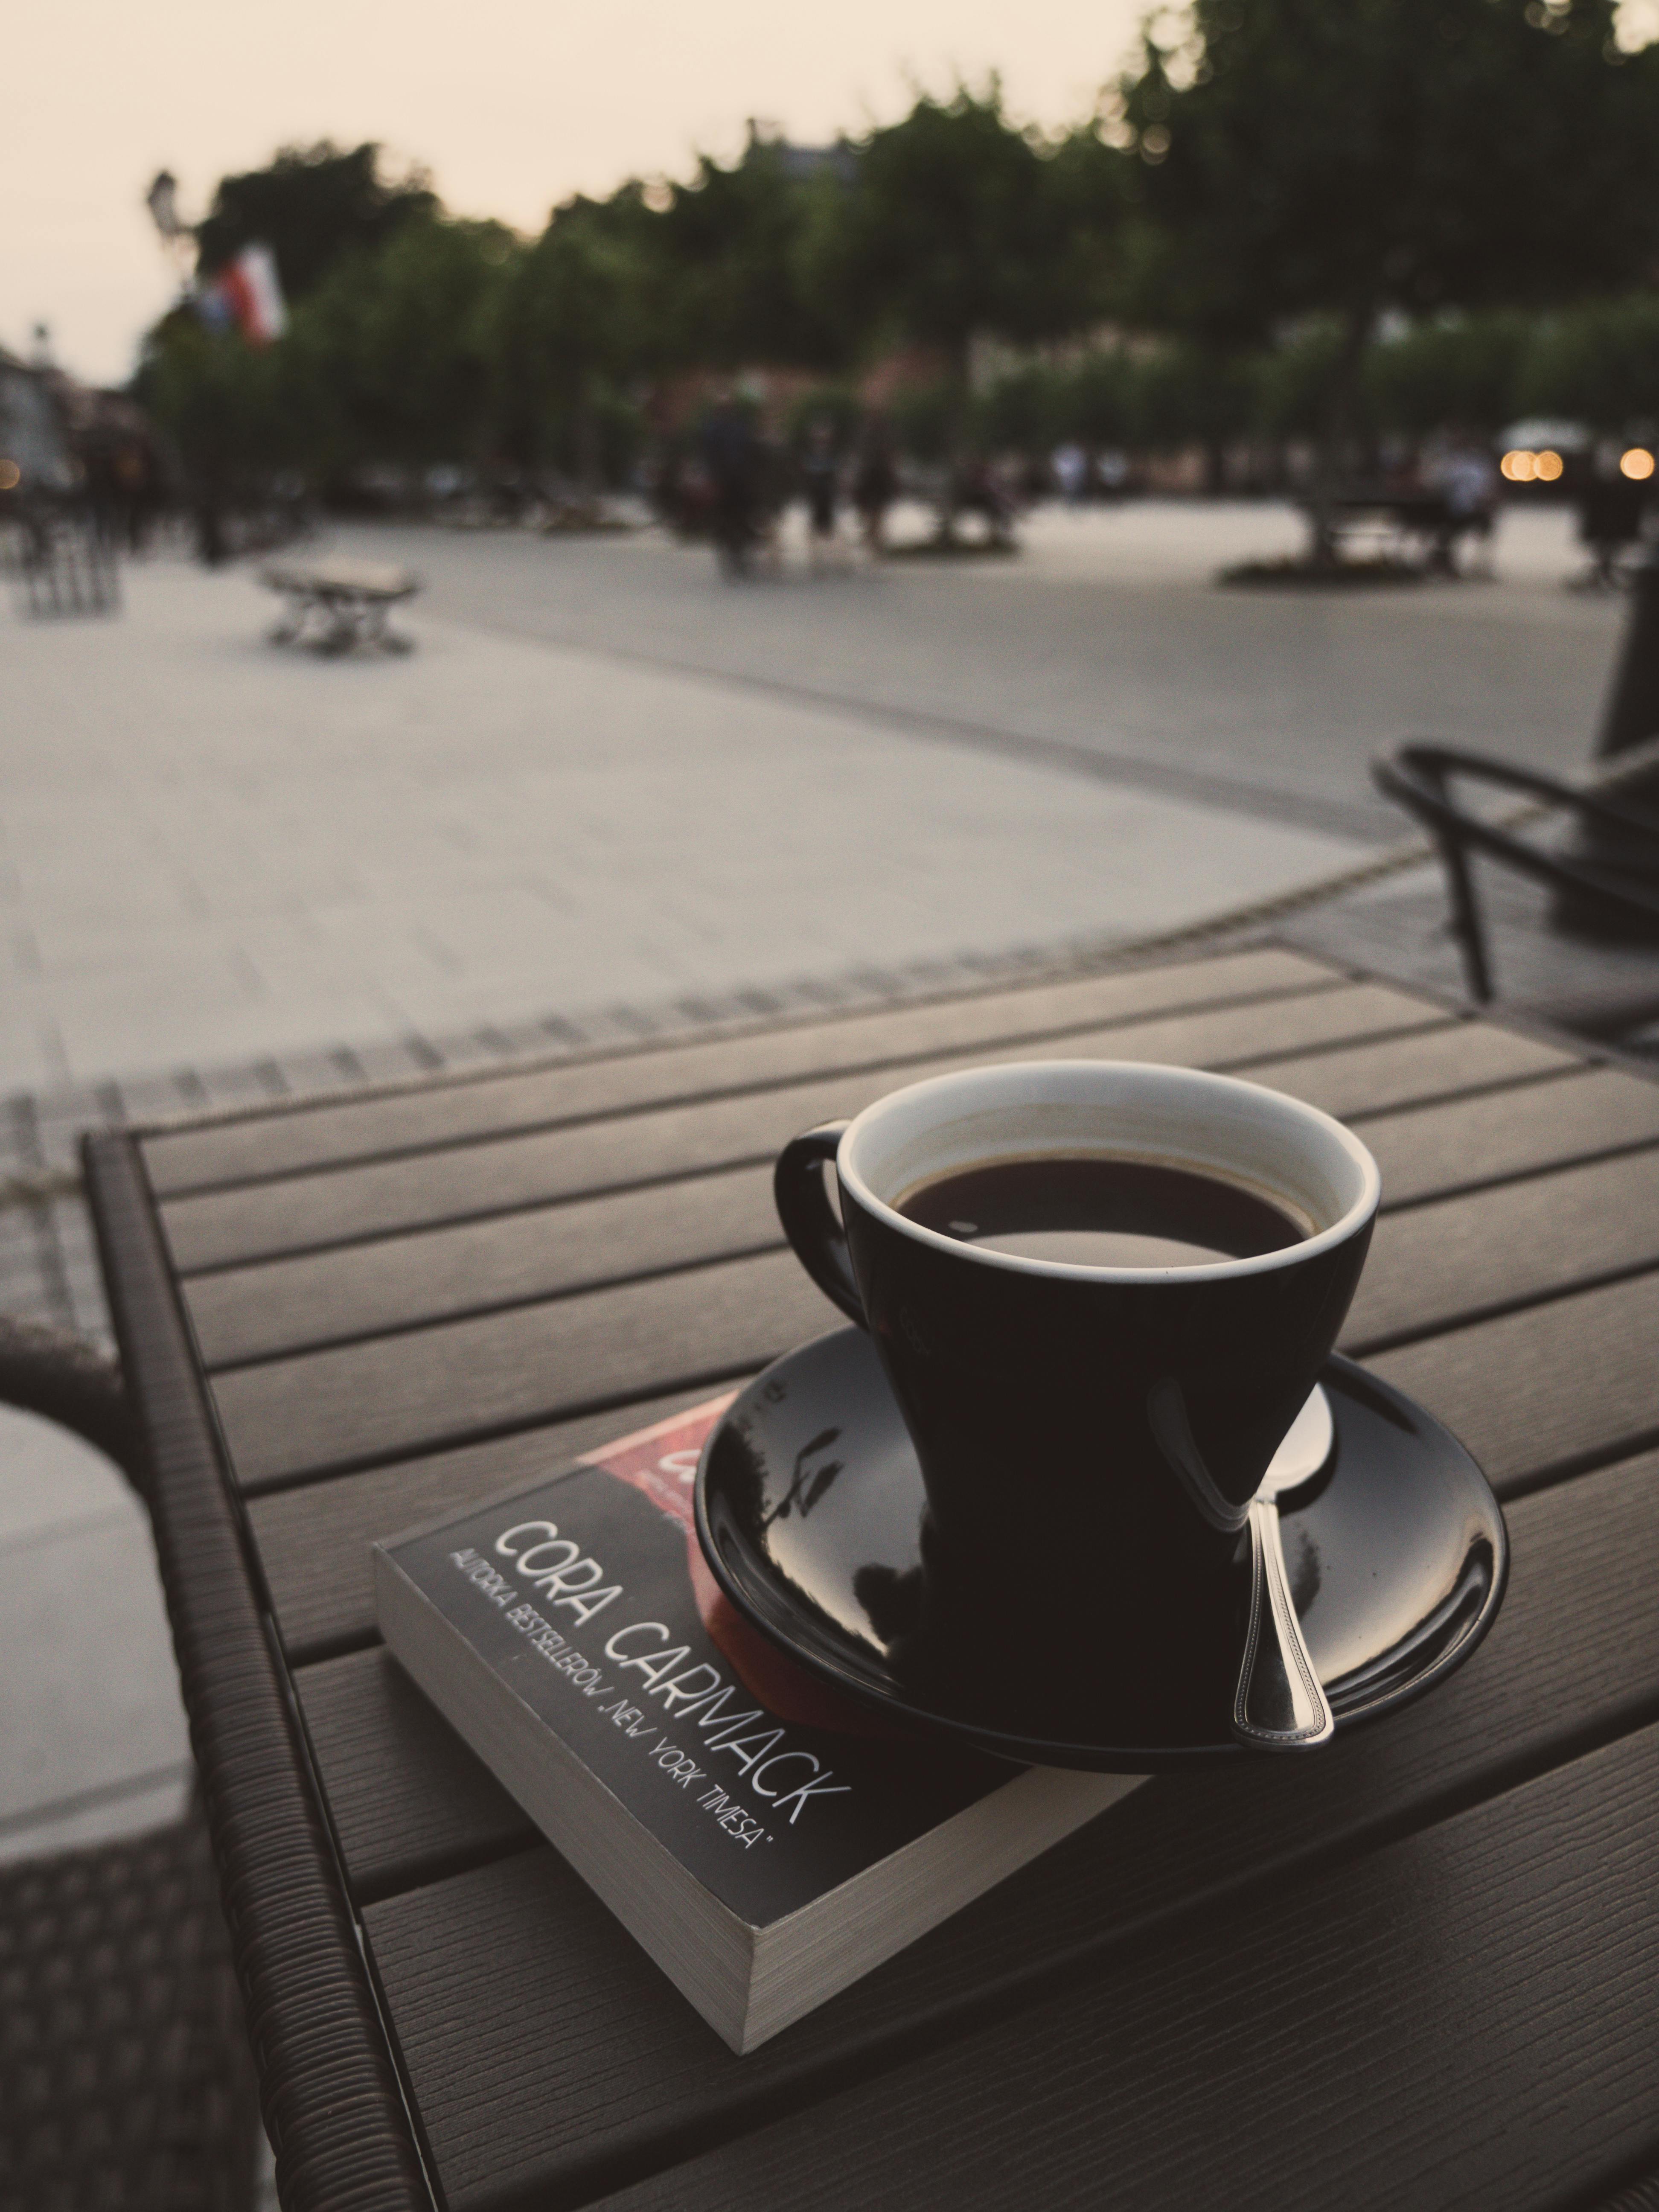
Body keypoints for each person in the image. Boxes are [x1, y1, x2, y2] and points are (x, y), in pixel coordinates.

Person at [700, 393, 760, 578]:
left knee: (746, 511)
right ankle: (726, 547)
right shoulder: (713, 429)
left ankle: (745, 544)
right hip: (722, 479)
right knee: (722, 514)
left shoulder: (739, 427)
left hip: (740, 478)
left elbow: (750, 450)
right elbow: (709, 455)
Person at [800, 419, 841, 568]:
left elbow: (835, 471)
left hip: (828, 491)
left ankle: (831, 554)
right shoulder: (810, 452)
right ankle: (816, 555)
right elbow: (807, 470)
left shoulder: (832, 452)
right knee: (815, 522)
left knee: (830, 524)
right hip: (815, 491)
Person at [852, 427, 899, 555]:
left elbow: (891, 456)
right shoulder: (864, 433)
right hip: (868, 478)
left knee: (879, 511)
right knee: (869, 510)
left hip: (881, 478)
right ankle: (872, 535)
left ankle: (876, 538)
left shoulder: (886, 433)